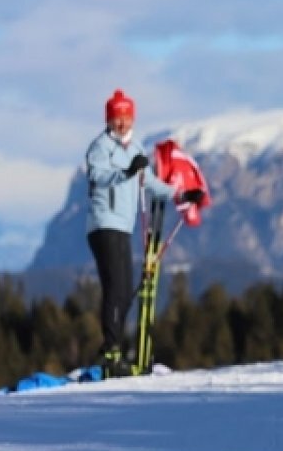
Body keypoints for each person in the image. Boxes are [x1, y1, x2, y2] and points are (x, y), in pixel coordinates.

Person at [85, 89, 204, 378]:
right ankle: (110, 350)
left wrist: (182, 195)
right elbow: (98, 177)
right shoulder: (101, 147)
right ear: (109, 120)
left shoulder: (135, 147)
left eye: (126, 117)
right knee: (116, 287)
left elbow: (150, 183)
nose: (122, 123)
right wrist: (126, 172)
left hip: (122, 226)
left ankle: (116, 348)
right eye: (117, 118)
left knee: (125, 290)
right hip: (104, 223)